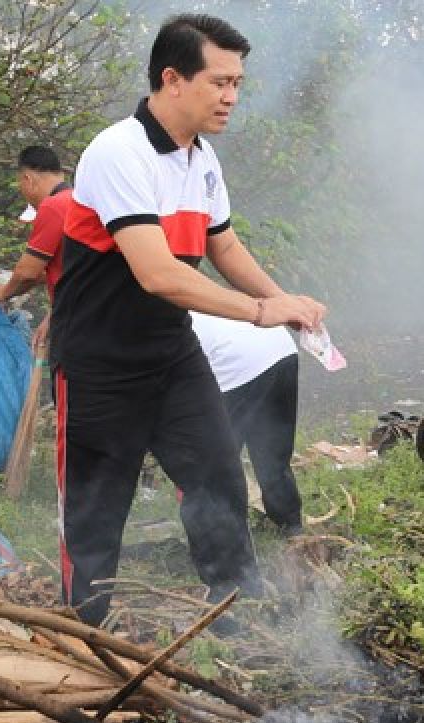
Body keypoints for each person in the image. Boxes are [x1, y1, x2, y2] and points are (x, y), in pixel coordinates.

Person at [51, 14, 326, 625]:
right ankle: (84, 633)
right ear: (173, 79)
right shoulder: (118, 151)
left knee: (219, 481)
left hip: (172, 356)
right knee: (97, 513)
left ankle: (236, 614)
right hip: (100, 367)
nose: (231, 97)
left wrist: (288, 304)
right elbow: (159, 274)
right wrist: (261, 311)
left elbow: (223, 247)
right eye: (220, 82)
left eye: (238, 84)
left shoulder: (201, 159)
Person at [189, 312, 302, 535]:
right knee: (272, 450)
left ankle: (223, 537)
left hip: (237, 364)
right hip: (281, 348)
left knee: (217, 463)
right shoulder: (192, 302)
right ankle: (290, 525)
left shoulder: (161, 331)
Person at [0, 146, 73, 347]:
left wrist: (3, 292)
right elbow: (62, 271)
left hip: (76, 324)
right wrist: (51, 316)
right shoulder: (78, 200)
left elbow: (27, 273)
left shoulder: (54, 205)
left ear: (28, 179)